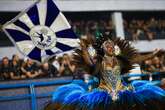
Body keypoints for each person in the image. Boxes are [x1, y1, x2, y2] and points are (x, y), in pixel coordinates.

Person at [45, 36, 165, 110]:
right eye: (107, 46)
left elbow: (137, 59)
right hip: (104, 93)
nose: (110, 47)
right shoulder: (99, 63)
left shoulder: (120, 61)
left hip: (123, 90)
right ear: (103, 50)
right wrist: (83, 49)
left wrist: (152, 55)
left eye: (112, 46)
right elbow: (89, 62)